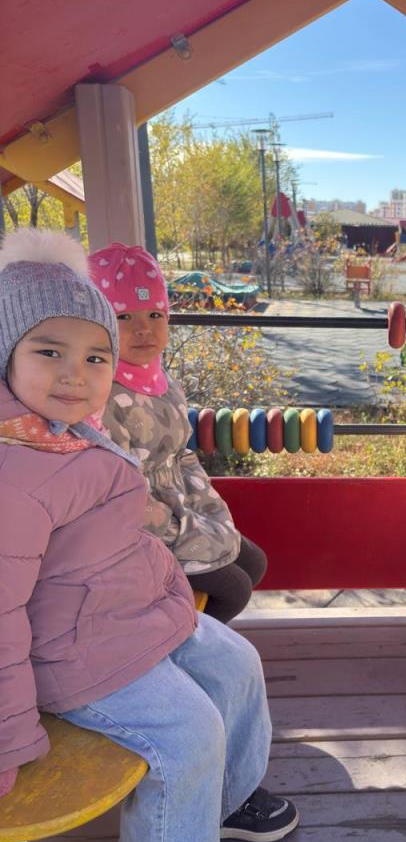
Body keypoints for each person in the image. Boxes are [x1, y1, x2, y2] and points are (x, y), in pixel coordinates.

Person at [0, 229, 297, 842]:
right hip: (69, 656)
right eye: (49, 351)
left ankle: (223, 800)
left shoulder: (69, 433)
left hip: (128, 617)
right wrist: (9, 737)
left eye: (95, 357)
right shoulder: (15, 471)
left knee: (235, 663)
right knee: (187, 730)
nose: (76, 374)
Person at [91, 243, 266, 624]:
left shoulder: (161, 379)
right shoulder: (101, 398)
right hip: (138, 528)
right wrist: (180, 530)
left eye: (155, 314)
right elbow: (119, 492)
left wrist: (206, 511)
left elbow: (180, 454)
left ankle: (189, 634)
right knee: (233, 590)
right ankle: (170, 642)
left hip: (178, 506)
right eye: (123, 316)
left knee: (254, 561)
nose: (143, 329)